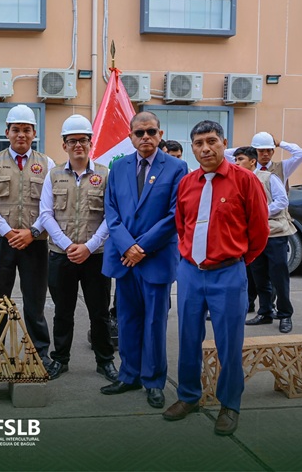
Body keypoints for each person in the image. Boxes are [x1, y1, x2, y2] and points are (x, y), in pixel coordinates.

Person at [163, 120, 269, 436]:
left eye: (212, 141)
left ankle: (230, 404)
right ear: (192, 148)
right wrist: (189, 259)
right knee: (187, 338)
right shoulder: (187, 183)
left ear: (224, 143)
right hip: (191, 273)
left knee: (229, 343)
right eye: (199, 143)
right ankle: (189, 397)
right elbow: (182, 225)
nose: (205, 148)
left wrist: (237, 261)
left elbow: (259, 230)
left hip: (228, 273)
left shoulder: (245, 180)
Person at [100, 111, 188, 409]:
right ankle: (129, 375)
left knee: (154, 322)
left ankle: (153, 381)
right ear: (131, 137)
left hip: (155, 258)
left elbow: (175, 215)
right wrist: (128, 246)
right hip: (125, 260)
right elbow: (111, 211)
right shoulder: (118, 167)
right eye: (140, 133)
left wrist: (142, 247)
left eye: (151, 132)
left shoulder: (177, 167)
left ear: (160, 134)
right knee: (127, 320)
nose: (146, 137)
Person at [38, 114, 118, 381]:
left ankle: (105, 361)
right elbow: (46, 214)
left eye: (83, 140)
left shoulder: (105, 175)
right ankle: (60, 359)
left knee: (99, 312)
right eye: (72, 141)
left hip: (96, 256)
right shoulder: (53, 175)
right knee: (63, 312)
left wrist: (89, 246)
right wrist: (69, 245)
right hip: (62, 256)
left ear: (90, 143)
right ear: (64, 145)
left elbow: (111, 216)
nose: (78, 145)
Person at [0, 104, 55, 374]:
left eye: (26, 130)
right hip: (0, 241)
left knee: (35, 300)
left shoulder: (47, 164)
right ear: (7, 132)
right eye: (16, 130)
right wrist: (9, 232)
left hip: (35, 242)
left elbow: (50, 206)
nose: (21, 134)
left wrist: (31, 232)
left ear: (34, 133)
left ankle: (39, 352)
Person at [233, 147, 296, 333]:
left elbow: (282, 201)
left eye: (240, 159)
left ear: (253, 161)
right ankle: (265, 312)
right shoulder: (239, 180)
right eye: (235, 159)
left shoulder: (269, 178)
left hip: (275, 233)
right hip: (254, 235)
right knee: (258, 276)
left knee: (278, 277)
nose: (236, 163)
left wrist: (259, 213)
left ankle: (285, 314)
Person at [226, 132, 302, 189]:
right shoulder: (247, 166)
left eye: (269, 150)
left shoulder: (283, 167)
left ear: (273, 152)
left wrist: (280, 144)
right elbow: (226, 153)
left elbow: (301, 153)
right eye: (261, 151)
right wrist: (249, 149)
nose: (265, 154)